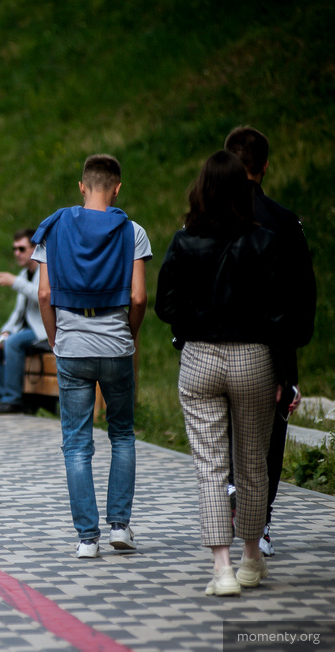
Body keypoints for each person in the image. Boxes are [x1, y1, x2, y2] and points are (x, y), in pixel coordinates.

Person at [155, 149, 302, 596]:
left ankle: (221, 569)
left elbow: (165, 305)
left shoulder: (184, 241)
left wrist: (191, 325)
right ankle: (251, 558)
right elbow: (280, 315)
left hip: (200, 357)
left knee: (210, 466)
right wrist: (285, 375)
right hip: (253, 357)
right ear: (244, 190)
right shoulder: (265, 240)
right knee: (253, 464)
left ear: (201, 189)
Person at [31, 154, 151, 559]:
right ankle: (120, 527)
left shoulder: (53, 228)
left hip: (72, 347)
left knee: (77, 444)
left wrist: (55, 339)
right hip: (117, 346)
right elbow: (139, 297)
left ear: (82, 186)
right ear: (117, 188)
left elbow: (44, 294)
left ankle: (87, 538)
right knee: (122, 435)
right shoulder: (133, 232)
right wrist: (128, 335)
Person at [222, 126, 316, 556]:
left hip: (214, 344)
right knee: (269, 441)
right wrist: (290, 365)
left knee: (223, 430)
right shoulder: (284, 221)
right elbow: (301, 294)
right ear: (264, 166)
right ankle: (260, 524)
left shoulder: (205, 218)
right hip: (269, 346)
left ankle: (230, 495)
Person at [0, 228, 48, 414]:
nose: (17, 253)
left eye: (21, 249)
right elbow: (18, 313)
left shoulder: (46, 271)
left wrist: (15, 282)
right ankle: (3, 397)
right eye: (14, 249)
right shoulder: (24, 274)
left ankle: (12, 400)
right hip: (23, 331)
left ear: (35, 248)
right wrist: (5, 331)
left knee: (13, 343)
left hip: (44, 331)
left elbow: (43, 296)